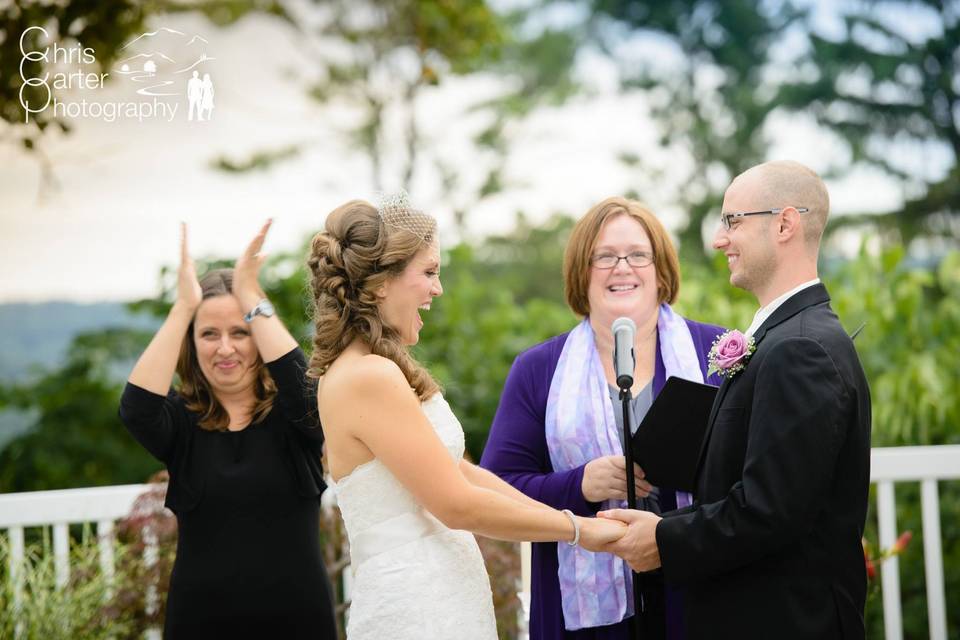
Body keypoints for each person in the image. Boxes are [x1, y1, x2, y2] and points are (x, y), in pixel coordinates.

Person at [306, 194, 626, 640]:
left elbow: (458, 472)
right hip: (418, 609)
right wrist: (577, 531)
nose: (437, 289)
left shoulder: (372, 369)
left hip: (439, 594)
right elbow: (456, 503)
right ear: (382, 283)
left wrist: (559, 515)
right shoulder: (368, 376)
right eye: (430, 272)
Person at [600, 161, 872, 639]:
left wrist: (663, 538)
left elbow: (768, 511)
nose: (719, 239)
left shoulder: (800, 348)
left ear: (785, 224)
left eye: (732, 221)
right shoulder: (784, 337)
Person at [479, 196, 726, 640]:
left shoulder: (718, 353)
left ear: (661, 269)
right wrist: (579, 485)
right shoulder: (539, 369)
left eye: (637, 255)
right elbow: (498, 487)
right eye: (604, 257)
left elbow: (751, 474)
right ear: (581, 272)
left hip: (699, 593)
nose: (622, 267)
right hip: (585, 614)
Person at [119, 221, 337, 638]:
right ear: (191, 341)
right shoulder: (180, 424)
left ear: (259, 335)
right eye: (208, 334)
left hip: (298, 622)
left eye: (240, 332)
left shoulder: (296, 416)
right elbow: (136, 410)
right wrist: (183, 307)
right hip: (200, 624)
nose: (224, 348)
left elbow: (311, 401)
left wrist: (251, 295)